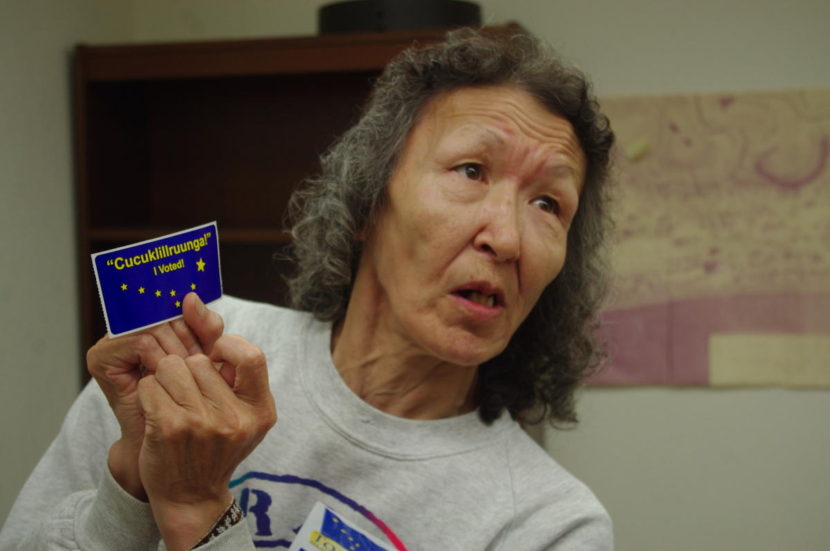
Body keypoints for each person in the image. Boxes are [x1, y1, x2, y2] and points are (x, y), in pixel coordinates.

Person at [1, 27, 615, 550]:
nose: (507, 238)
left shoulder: (548, 523)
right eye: (472, 170)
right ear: (370, 200)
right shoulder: (185, 351)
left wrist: (200, 512)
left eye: (547, 203)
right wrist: (129, 489)